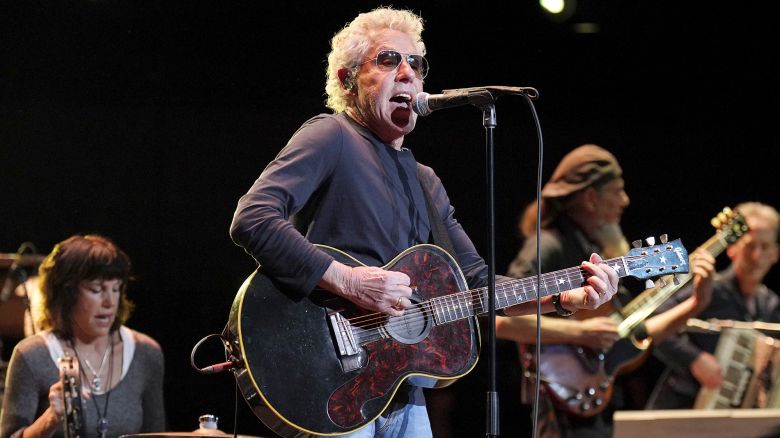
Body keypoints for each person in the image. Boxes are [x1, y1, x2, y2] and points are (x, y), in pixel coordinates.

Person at [228, 8, 620, 438]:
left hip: (400, 388)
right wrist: (351, 282)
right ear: (347, 80)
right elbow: (253, 217)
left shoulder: (425, 180)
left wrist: (565, 297)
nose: (407, 73)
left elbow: (476, 282)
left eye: (415, 63)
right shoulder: (332, 135)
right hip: (330, 372)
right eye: (388, 60)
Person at [494, 144, 715, 438]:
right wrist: (579, 334)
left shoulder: (593, 249)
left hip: (594, 397)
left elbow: (628, 334)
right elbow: (501, 321)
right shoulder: (549, 244)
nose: (625, 200)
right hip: (559, 408)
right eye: (618, 190)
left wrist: (696, 303)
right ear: (590, 198)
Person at [0, 234, 166, 438]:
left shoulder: (146, 353)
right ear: (67, 294)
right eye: (96, 290)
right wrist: (51, 418)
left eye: (116, 289)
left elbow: (157, 434)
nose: (109, 302)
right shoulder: (31, 355)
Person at [647, 201, 780, 409]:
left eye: (765, 247)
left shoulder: (770, 303)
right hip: (683, 408)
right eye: (750, 246)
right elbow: (650, 326)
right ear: (732, 248)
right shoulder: (709, 286)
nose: (757, 256)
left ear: (775, 253)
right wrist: (695, 359)